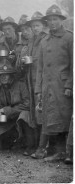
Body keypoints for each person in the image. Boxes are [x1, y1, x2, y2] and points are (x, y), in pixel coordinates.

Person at [35, 5, 73, 162]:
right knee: (51, 116)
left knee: (63, 116)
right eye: (49, 20)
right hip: (47, 86)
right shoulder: (44, 41)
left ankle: (65, 152)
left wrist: (70, 85)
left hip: (62, 85)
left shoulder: (70, 38)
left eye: (55, 19)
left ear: (61, 20)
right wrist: (38, 89)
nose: (52, 23)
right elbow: (40, 68)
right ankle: (57, 151)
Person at [0, 61, 35, 155]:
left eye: (6, 75)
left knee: (25, 115)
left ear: (12, 76)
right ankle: (0, 141)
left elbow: (27, 104)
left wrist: (7, 110)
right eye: (1, 75)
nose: (3, 77)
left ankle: (30, 146)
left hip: (20, 117)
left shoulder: (21, 85)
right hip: (9, 120)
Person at [22, 11, 48, 159]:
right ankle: (36, 145)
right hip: (31, 83)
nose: (35, 28)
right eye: (33, 26)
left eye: (37, 25)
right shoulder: (31, 42)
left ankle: (44, 147)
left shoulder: (46, 39)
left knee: (42, 113)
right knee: (34, 114)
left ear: (43, 26)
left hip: (43, 82)